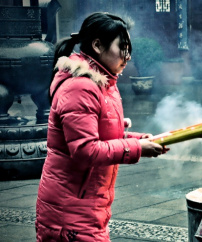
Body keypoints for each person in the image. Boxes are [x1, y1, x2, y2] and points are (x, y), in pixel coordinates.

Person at [35, 12, 168, 241]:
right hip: (68, 213)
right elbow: (85, 149)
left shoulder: (105, 83)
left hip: (89, 207)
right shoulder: (81, 87)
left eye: (129, 49)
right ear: (97, 45)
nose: (127, 57)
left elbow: (101, 135)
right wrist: (136, 148)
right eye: (122, 48)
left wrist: (137, 140)